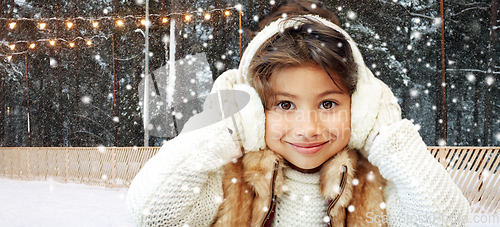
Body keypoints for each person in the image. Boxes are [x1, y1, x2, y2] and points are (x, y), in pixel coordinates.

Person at [126, 2, 471, 227]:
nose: (308, 129)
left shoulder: (377, 185)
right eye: (285, 105)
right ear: (253, 110)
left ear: (361, 105)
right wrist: (223, 127)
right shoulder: (227, 178)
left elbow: (448, 221)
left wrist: (387, 136)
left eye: (328, 104)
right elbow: (148, 217)